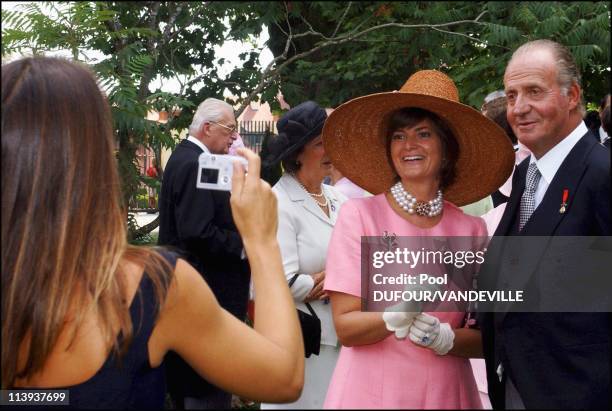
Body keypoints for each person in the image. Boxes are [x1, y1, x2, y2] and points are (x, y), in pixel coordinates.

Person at [1, 56, 304, 408]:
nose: (234, 135)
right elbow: (283, 377)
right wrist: (260, 240)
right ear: (95, 157)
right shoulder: (149, 289)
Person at [320, 70, 515, 408]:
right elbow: (345, 326)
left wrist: (446, 338)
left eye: (423, 134)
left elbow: (488, 336)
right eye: (398, 136)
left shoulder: (471, 231)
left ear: (447, 148)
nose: (409, 145)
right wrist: (394, 315)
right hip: (372, 392)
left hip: (447, 392)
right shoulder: (360, 216)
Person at [479, 39, 611, 409]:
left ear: (573, 96)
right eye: (511, 94)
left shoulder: (602, 175)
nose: (519, 108)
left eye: (534, 91)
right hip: (516, 386)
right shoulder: (525, 173)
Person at [157, 97, 252, 409]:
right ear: (207, 128)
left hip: (202, 292)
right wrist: (244, 246)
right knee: (204, 390)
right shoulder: (194, 162)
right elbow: (197, 231)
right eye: (230, 130)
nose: (233, 139)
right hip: (207, 292)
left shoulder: (193, 159)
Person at [259, 101, 348, 409]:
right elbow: (274, 282)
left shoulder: (340, 198)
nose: (331, 151)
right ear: (297, 154)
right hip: (302, 345)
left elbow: (360, 261)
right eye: (321, 144)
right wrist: (340, 279)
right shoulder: (278, 203)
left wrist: (337, 276)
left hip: (342, 338)